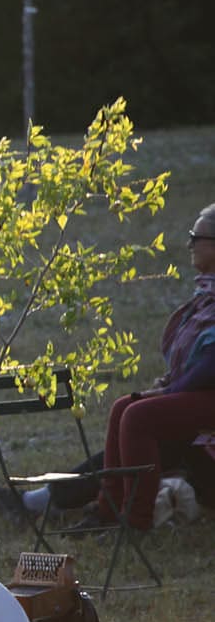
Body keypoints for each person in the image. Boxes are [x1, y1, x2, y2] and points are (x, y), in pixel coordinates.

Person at [88, 204, 215, 529]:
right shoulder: (207, 293)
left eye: (195, 237)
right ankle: (108, 513)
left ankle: (137, 522)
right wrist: (167, 386)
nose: (189, 244)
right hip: (201, 393)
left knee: (139, 415)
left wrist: (168, 390)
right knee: (123, 406)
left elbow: (210, 367)